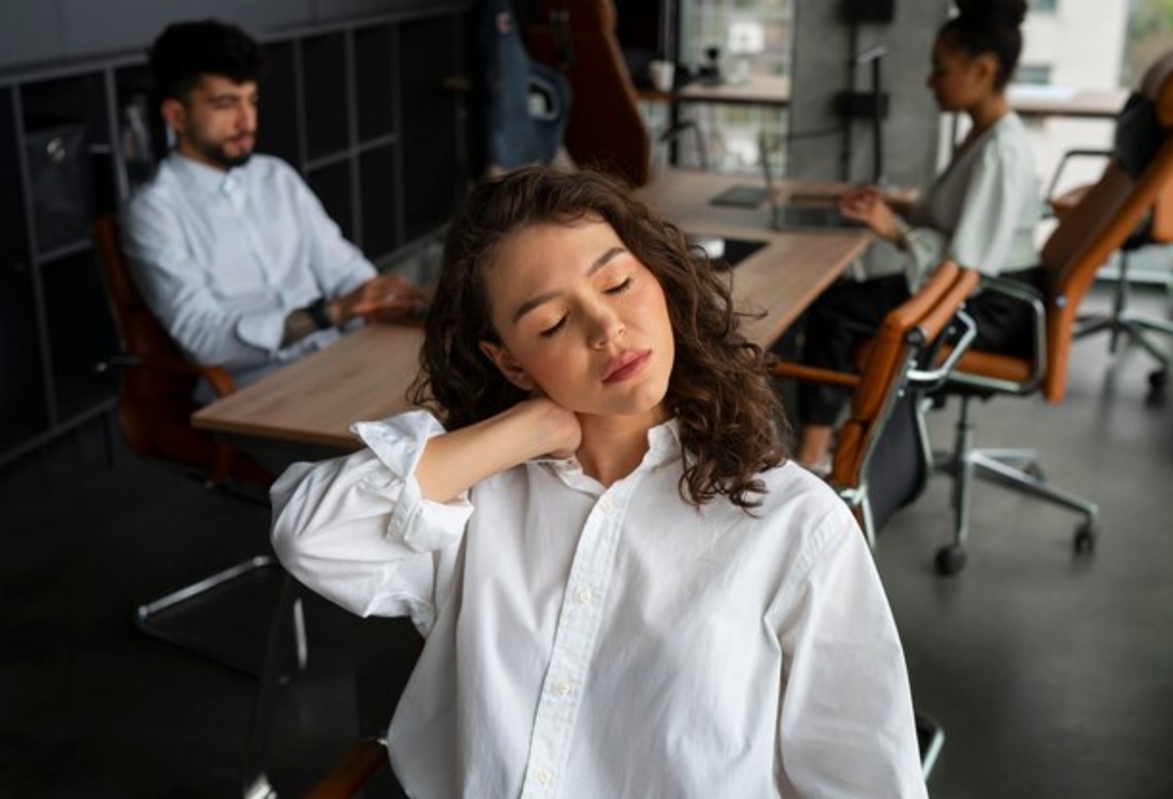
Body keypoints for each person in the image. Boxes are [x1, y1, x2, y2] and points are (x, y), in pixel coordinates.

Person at [270, 166, 928, 798]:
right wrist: (527, 430)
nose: (606, 328)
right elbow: (310, 534)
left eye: (617, 284)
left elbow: (867, 777)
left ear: (660, 280)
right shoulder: (475, 499)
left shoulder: (794, 523)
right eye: (552, 324)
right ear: (510, 361)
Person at [795, 0, 1043, 471]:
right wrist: (896, 206)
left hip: (991, 306)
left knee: (833, 312)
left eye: (940, 70)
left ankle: (812, 459)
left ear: (983, 69)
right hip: (980, 291)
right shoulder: (983, 136)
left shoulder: (1001, 154)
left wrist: (896, 230)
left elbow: (964, 266)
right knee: (839, 302)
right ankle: (825, 444)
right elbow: (953, 217)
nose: (930, 81)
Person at [122, 19, 426, 400]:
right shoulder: (154, 210)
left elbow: (345, 272)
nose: (247, 121)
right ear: (176, 116)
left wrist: (384, 298)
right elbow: (203, 338)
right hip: (256, 389)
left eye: (251, 101)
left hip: (339, 357)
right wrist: (327, 314)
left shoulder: (275, 176)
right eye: (225, 104)